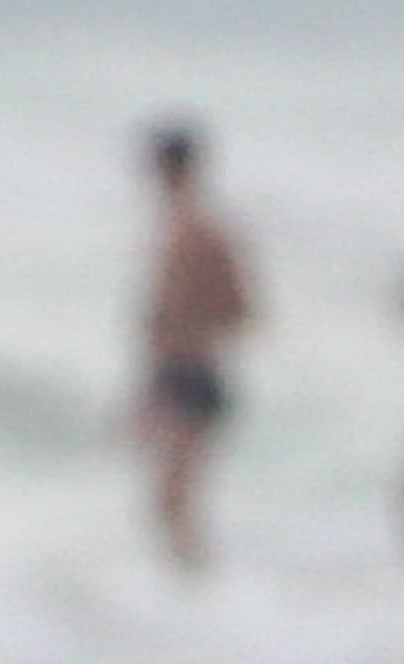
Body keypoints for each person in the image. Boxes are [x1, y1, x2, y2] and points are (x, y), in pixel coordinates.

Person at [135, 118, 254, 574]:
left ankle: (200, 591)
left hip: (193, 371)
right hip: (173, 371)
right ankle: (190, 594)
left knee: (174, 501)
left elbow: (244, 309)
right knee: (168, 502)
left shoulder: (205, 231)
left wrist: (191, 329)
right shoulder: (176, 228)